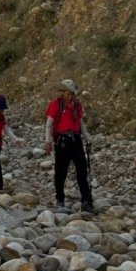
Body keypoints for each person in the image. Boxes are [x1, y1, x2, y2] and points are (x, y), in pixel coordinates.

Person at [44, 78, 95, 213]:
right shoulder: (56, 104)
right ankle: (60, 198)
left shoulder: (77, 105)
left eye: (72, 94)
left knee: (82, 170)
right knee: (61, 172)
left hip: (76, 140)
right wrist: (47, 141)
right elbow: (49, 123)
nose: (71, 96)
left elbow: (80, 123)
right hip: (62, 142)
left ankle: (86, 200)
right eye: (68, 93)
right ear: (62, 92)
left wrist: (87, 138)